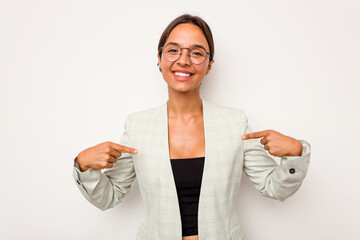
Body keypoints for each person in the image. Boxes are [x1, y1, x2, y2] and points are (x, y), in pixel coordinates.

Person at [73, 14, 311, 240]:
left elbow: (274, 188)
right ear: (160, 59)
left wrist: (295, 154)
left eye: (196, 52)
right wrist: (84, 166)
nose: (184, 60)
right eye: (173, 50)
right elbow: (109, 197)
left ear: (209, 65)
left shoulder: (235, 122)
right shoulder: (137, 126)